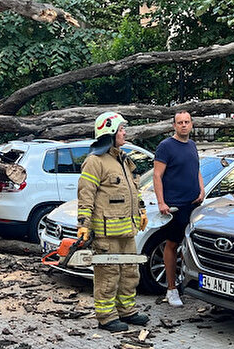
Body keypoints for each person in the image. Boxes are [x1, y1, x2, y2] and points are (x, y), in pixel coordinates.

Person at [76, 111, 150, 332]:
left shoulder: (123, 160)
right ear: (109, 132)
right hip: (106, 232)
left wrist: (142, 211)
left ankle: (127, 311)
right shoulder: (95, 162)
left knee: (130, 272)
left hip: (128, 230)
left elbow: (133, 191)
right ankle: (106, 317)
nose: (125, 133)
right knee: (108, 275)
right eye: (121, 129)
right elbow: (85, 195)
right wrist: (83, 224)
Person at [153, 111, 204, 307]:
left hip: (193, 204)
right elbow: (157, 175)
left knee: (190, 246)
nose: (183, 125)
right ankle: (171, 289)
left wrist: (201, 187)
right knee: (172, 245)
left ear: (192, 124)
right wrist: (161, 202)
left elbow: (196, 168)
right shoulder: (166, 147)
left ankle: (189, 284)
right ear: (174, 126)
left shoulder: (192, 145)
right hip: (174, 206)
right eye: (180, 122)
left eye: (187, 122)